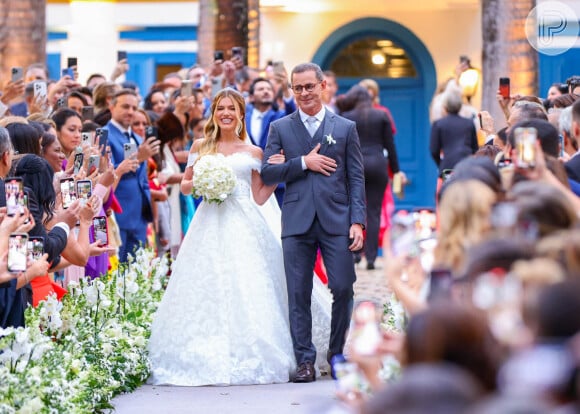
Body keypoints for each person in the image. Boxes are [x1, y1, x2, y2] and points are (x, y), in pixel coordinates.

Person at [147, 88, 331, 386]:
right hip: (209, 221)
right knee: (207, 282)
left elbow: (259, 196)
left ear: (241, 114)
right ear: (214, 113)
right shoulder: (200, 146)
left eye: (231, 109)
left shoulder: (254, 152)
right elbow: (184, 187)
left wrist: (279, 173)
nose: (226, 114)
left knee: (248, 282)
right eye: (220, 108)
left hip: (245, 221)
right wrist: (201, 185)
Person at [261, 62, 366, 383]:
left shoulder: (345, 128)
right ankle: (305, 360)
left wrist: (358, 221)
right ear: (292, 90)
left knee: (344, 286)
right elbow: (267, 172)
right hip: (296, 220)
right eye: (298, 88)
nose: (304, 93)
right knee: (298, 292)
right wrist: (302, 163)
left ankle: (336, 353)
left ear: (323, 87)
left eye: (309, 86)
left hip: (336, 219)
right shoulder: (280, 128)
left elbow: (356, 178)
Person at [339, 85, 402, 270]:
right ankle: (372, 257)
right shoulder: (381, 116)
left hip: (355, 166)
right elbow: (391, 146)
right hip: (378, 164)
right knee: (374, 212)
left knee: (354, 209)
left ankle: (355, 253)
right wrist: (396, 171)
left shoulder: (347, 117)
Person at [104, 89, 159, 262]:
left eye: (134, 108)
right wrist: (140, 157)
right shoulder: (106, 134)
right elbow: (107, 174)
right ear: (111, 106)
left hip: (139, 216)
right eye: (125, 106)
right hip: (119, 213)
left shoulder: (136, 137)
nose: (130, 112)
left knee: (136, 275)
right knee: (117, 273)